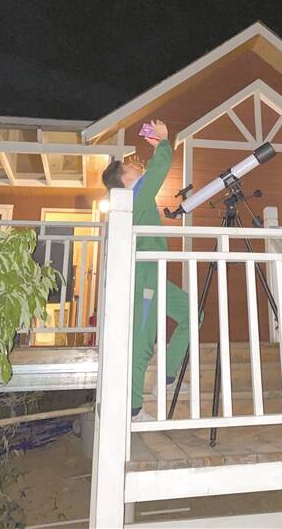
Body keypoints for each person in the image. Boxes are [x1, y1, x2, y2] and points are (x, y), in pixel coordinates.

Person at [102, 120, 189, 422]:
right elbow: (159, 168)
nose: (136, 166)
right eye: (130, 166)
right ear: (124, 178)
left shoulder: (137, 196)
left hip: (155, 273)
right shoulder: (134, 198)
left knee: (192, 314)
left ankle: (166, 377)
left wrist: (159, 147)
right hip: (144, 277)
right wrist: (163, 141)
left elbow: (152, 172)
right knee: (142, 340)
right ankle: (133, 410)